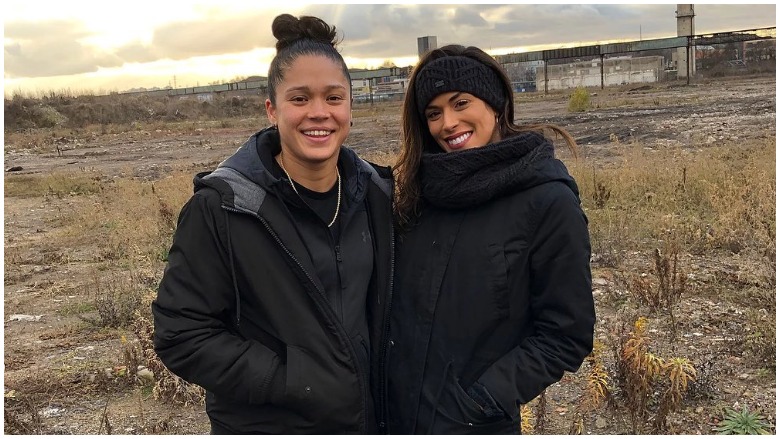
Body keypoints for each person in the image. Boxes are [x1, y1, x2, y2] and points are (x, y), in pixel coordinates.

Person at [152, 14, 394, 434]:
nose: (318, 113)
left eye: (333, 98)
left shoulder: (375, 194)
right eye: (299, 99)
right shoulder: (223, 208)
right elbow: (182, 333)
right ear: (272, 109)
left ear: (350, 108)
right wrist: (291, 381)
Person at [387, 44, 596, 434]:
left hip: (469, 423)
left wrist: (482, 400)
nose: (448, 123)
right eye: (433, 113)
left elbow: (566, 333)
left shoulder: (547, 201)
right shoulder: (419, 195)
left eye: (460, 103)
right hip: (393, 417)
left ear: (496, 104)